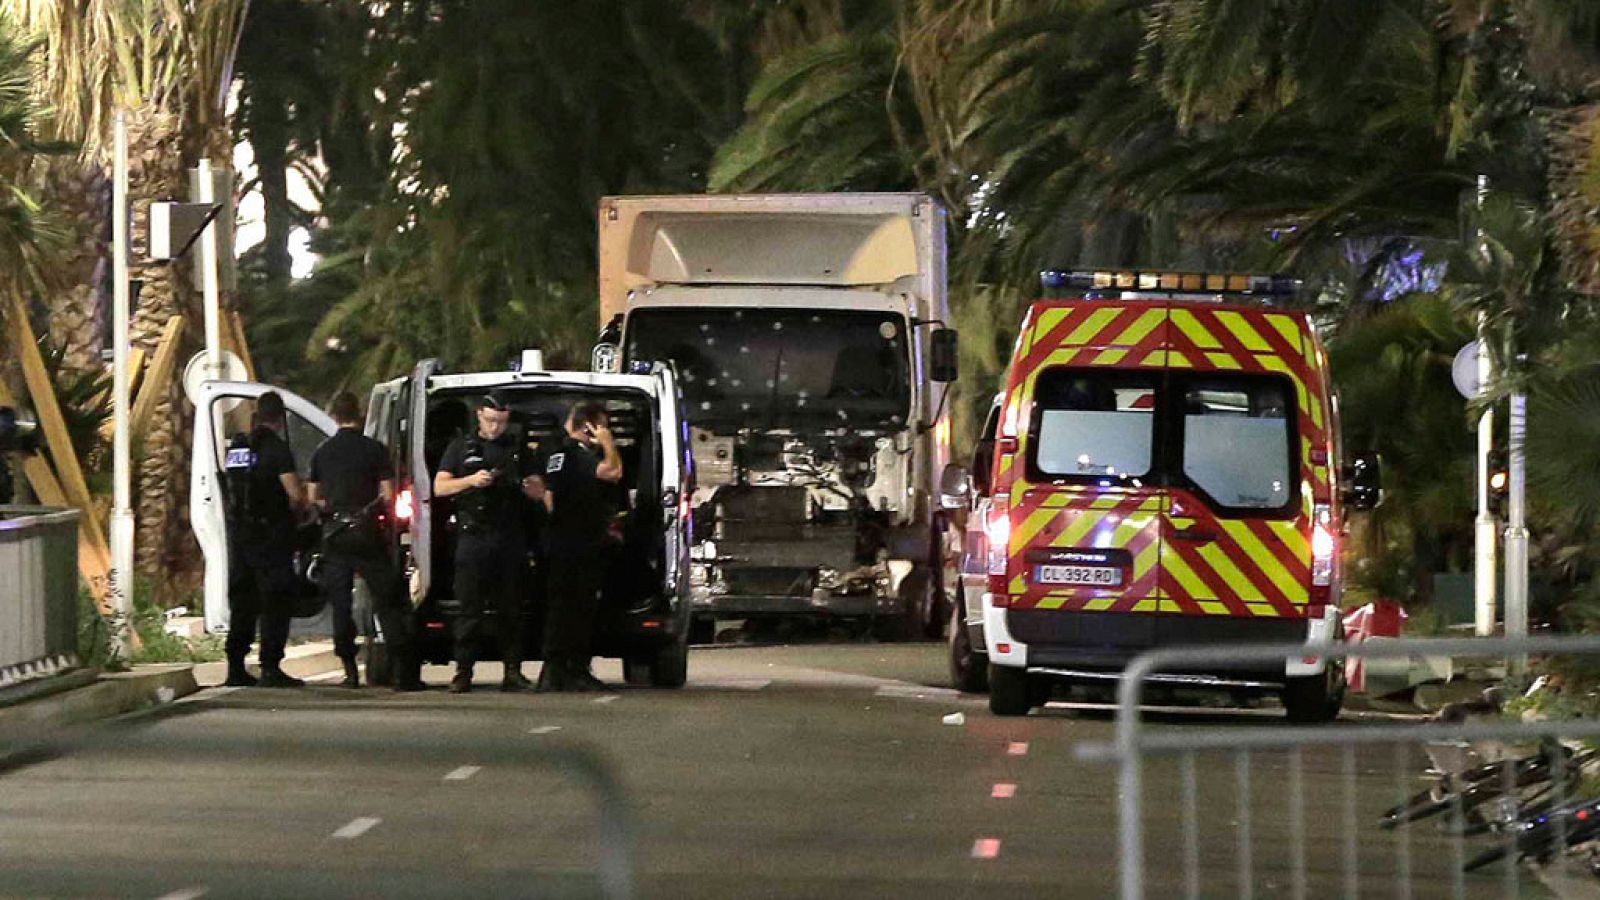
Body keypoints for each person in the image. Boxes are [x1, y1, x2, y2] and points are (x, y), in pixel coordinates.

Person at [307, 392, 425, 692]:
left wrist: (332, 508)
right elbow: (387, 494)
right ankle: (403, 674)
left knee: (341, 606)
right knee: (389, 601)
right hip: (367, 534)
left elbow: (313, 498)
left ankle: (350, 671)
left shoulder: (322, 452)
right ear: (358, 416)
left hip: (335, 536)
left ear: (334, 416)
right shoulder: (375, 450)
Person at [433, 392, 541, 693]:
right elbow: (440, 487)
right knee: (470, 609)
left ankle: (512, 671)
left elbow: (539, 490)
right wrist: (471, 481)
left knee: (511, 608)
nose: (496, 427)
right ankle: (463, 672)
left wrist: (525, 484)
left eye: (502, 422)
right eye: (491, 421)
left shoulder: (518, 449)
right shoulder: (461, 447)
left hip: (509, 536)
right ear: (480, 416)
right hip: (473, 536)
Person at [528, 400, 623, 692]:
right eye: (602, 426)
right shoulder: (577, 454)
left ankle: (557, 670)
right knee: (577, 609)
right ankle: (570, 669)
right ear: (589, 426)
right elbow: (613, 472)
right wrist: (608, 443)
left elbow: (546, 492)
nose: (604, 432)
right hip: (577, 544)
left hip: (561, 542)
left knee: (562, 608)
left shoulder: (555, 451)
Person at [223, 391, 309, 688]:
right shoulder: (277, 448)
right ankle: (270, 666)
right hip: (271, 535)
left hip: (241, 535)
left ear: (258, 414)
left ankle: (235, 665)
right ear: (280, 419)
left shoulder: (238, 446)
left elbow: (233, 485)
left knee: (243, 600)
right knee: (275, 600)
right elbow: (295, 494)